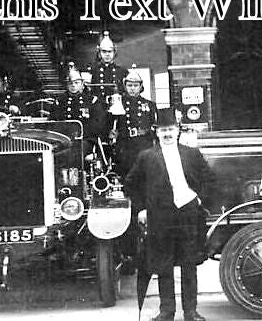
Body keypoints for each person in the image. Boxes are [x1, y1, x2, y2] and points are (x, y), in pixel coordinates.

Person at [124, 107, 215, 321]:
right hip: (160, 217)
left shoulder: (191, 154)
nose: (167, 134)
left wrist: (199, 198)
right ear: (157, 132)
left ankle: (191, 312)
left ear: (178, 131)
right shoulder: (146, 156)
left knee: (189, 264)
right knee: (163, 265)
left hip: (187, 214)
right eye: (163, 130)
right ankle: (167, 312)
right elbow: (131, 183)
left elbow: (210, 179)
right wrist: (141, 209)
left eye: (171, 129)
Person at [111, 64, 157, 177]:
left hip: (143, 143)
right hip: (125, 144)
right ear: (125, 86)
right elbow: (111, 124)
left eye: (135, 85)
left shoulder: (150, 105)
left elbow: (155, 125)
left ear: (140, 86)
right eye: (129, 85)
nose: (132, 88)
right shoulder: (118, 103)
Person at [53, 63, 107, 146]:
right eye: (70, 83)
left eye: (76, 82)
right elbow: (54, 122)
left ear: (82, 84)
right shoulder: (60, 101)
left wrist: (80, 134)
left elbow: (97, 124)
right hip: (64, 139)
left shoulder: (91, 100)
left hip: (86, 139)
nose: (73, 85)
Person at [89, 31, 126, 108]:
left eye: (110, 52)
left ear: (114, 53)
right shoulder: (94, 71)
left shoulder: (122, 71)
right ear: (99, 53)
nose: (107, 54)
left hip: (117, 105)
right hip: (98, 106)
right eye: (104, 52)